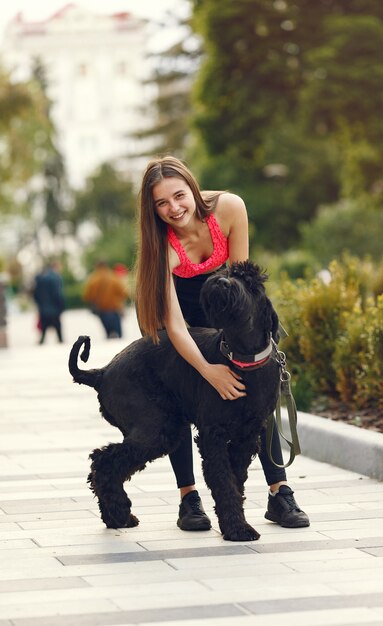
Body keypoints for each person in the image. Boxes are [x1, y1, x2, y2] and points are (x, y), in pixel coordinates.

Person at [135, 156, 309, 532]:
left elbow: (243, 282)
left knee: (258, 393)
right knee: (179, 401)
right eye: (161, 204)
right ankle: (189, 498)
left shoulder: (229, 208)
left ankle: (279, 493)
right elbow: (177, 326)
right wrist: (208, 370)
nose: (174, 209)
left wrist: (248, 344)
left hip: (226, 303)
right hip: (184, 318)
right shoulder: (161, 244)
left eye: (179, 196)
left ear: (192, 188)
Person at [83, 260, 129, 339]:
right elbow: (124, 293)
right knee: (119, 335)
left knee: (108, 334)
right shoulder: (113, 277)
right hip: (115, 310)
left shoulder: (93, 279)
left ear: (96, 266)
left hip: (102, 311)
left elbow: (87, 296)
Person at [33, 261, 65, 345]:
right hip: (54, 307)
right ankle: (60, 340)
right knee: (57, 325)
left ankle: (42, 340)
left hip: (43, 308)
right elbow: (57, 294)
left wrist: (39, 305)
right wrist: (61, 305)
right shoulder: (55, 278)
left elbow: (36, 294)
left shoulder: (40, 278)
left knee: (44, 325)